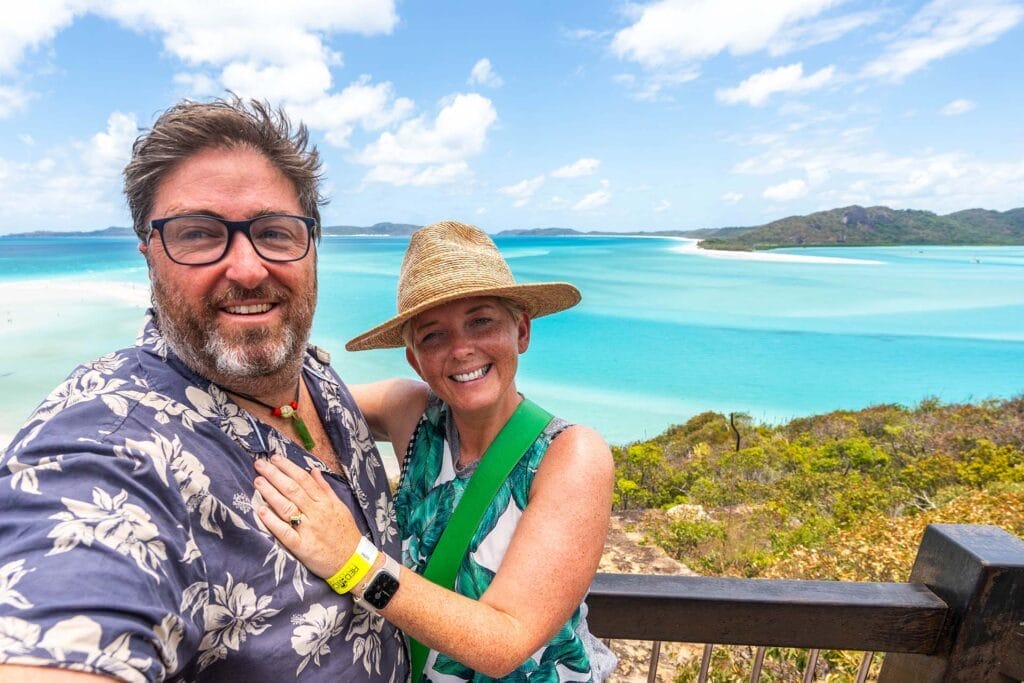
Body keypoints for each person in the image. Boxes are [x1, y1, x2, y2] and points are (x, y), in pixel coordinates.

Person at [0, 98, 406, 681]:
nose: (246, 269)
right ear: (150, 258)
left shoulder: (308, 374)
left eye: (274, 231)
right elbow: (75, 572)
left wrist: (432, 405)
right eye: (197, 234)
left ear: (312, 248)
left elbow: (364, 402)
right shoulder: (115, 443)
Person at [253, 220, 616, 680]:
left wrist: (350, 559)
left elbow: (505, 644)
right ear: (414, 359)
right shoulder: (411, 412)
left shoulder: (572, 455)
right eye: (433, 336)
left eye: (481, 321)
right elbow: (301, 402)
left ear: (520, 332)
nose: (461, 349)